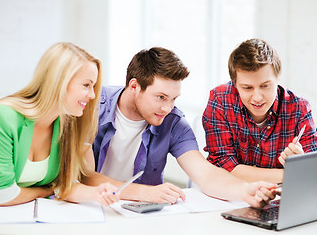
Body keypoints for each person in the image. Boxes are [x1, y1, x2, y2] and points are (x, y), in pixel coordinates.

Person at [82, 47, 277, 208]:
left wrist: (244, 191)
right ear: (134, 87)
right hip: (87, 207)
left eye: (173, 98)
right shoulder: (91, 107)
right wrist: (144, 192)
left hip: (137, 216)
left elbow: (205, 174)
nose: (167, 107)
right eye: (161, 97)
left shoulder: (173, 122)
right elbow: (83, 175)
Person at [0, 42, 119, 206]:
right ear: (59, 81)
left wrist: (96, 192)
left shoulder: (66, 124)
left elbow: (65, 186)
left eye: (93, 86)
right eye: (86, 85)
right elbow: (3, 195)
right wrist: (46, 191)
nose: (92, 95)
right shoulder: (4, 117)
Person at [202, 38, 317, 184]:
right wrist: (290, 174)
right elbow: (223, 165)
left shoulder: (299, 108)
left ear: (278, 79)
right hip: (233, 194)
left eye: (265, 86)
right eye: (247, 88)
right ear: (235, 84)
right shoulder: (220, 99)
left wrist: (302, 162)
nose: (257, 97)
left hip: (278, 198)